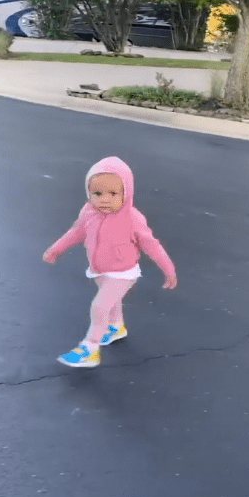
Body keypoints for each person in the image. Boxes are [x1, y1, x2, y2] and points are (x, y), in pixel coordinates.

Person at [43, 156, 177, 367]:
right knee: (112, 303)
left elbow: (152, 245)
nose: (104, 199)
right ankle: (116, 327)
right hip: (99, 269)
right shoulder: (88, 212)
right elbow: (76, 232)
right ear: (89, 192)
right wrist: (55, 250)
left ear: (127, 193)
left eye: (113, 193)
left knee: (100, 305)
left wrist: (169, 269)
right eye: (97, 193)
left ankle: (90, 347)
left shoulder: (132, 218)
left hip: (123, 272)